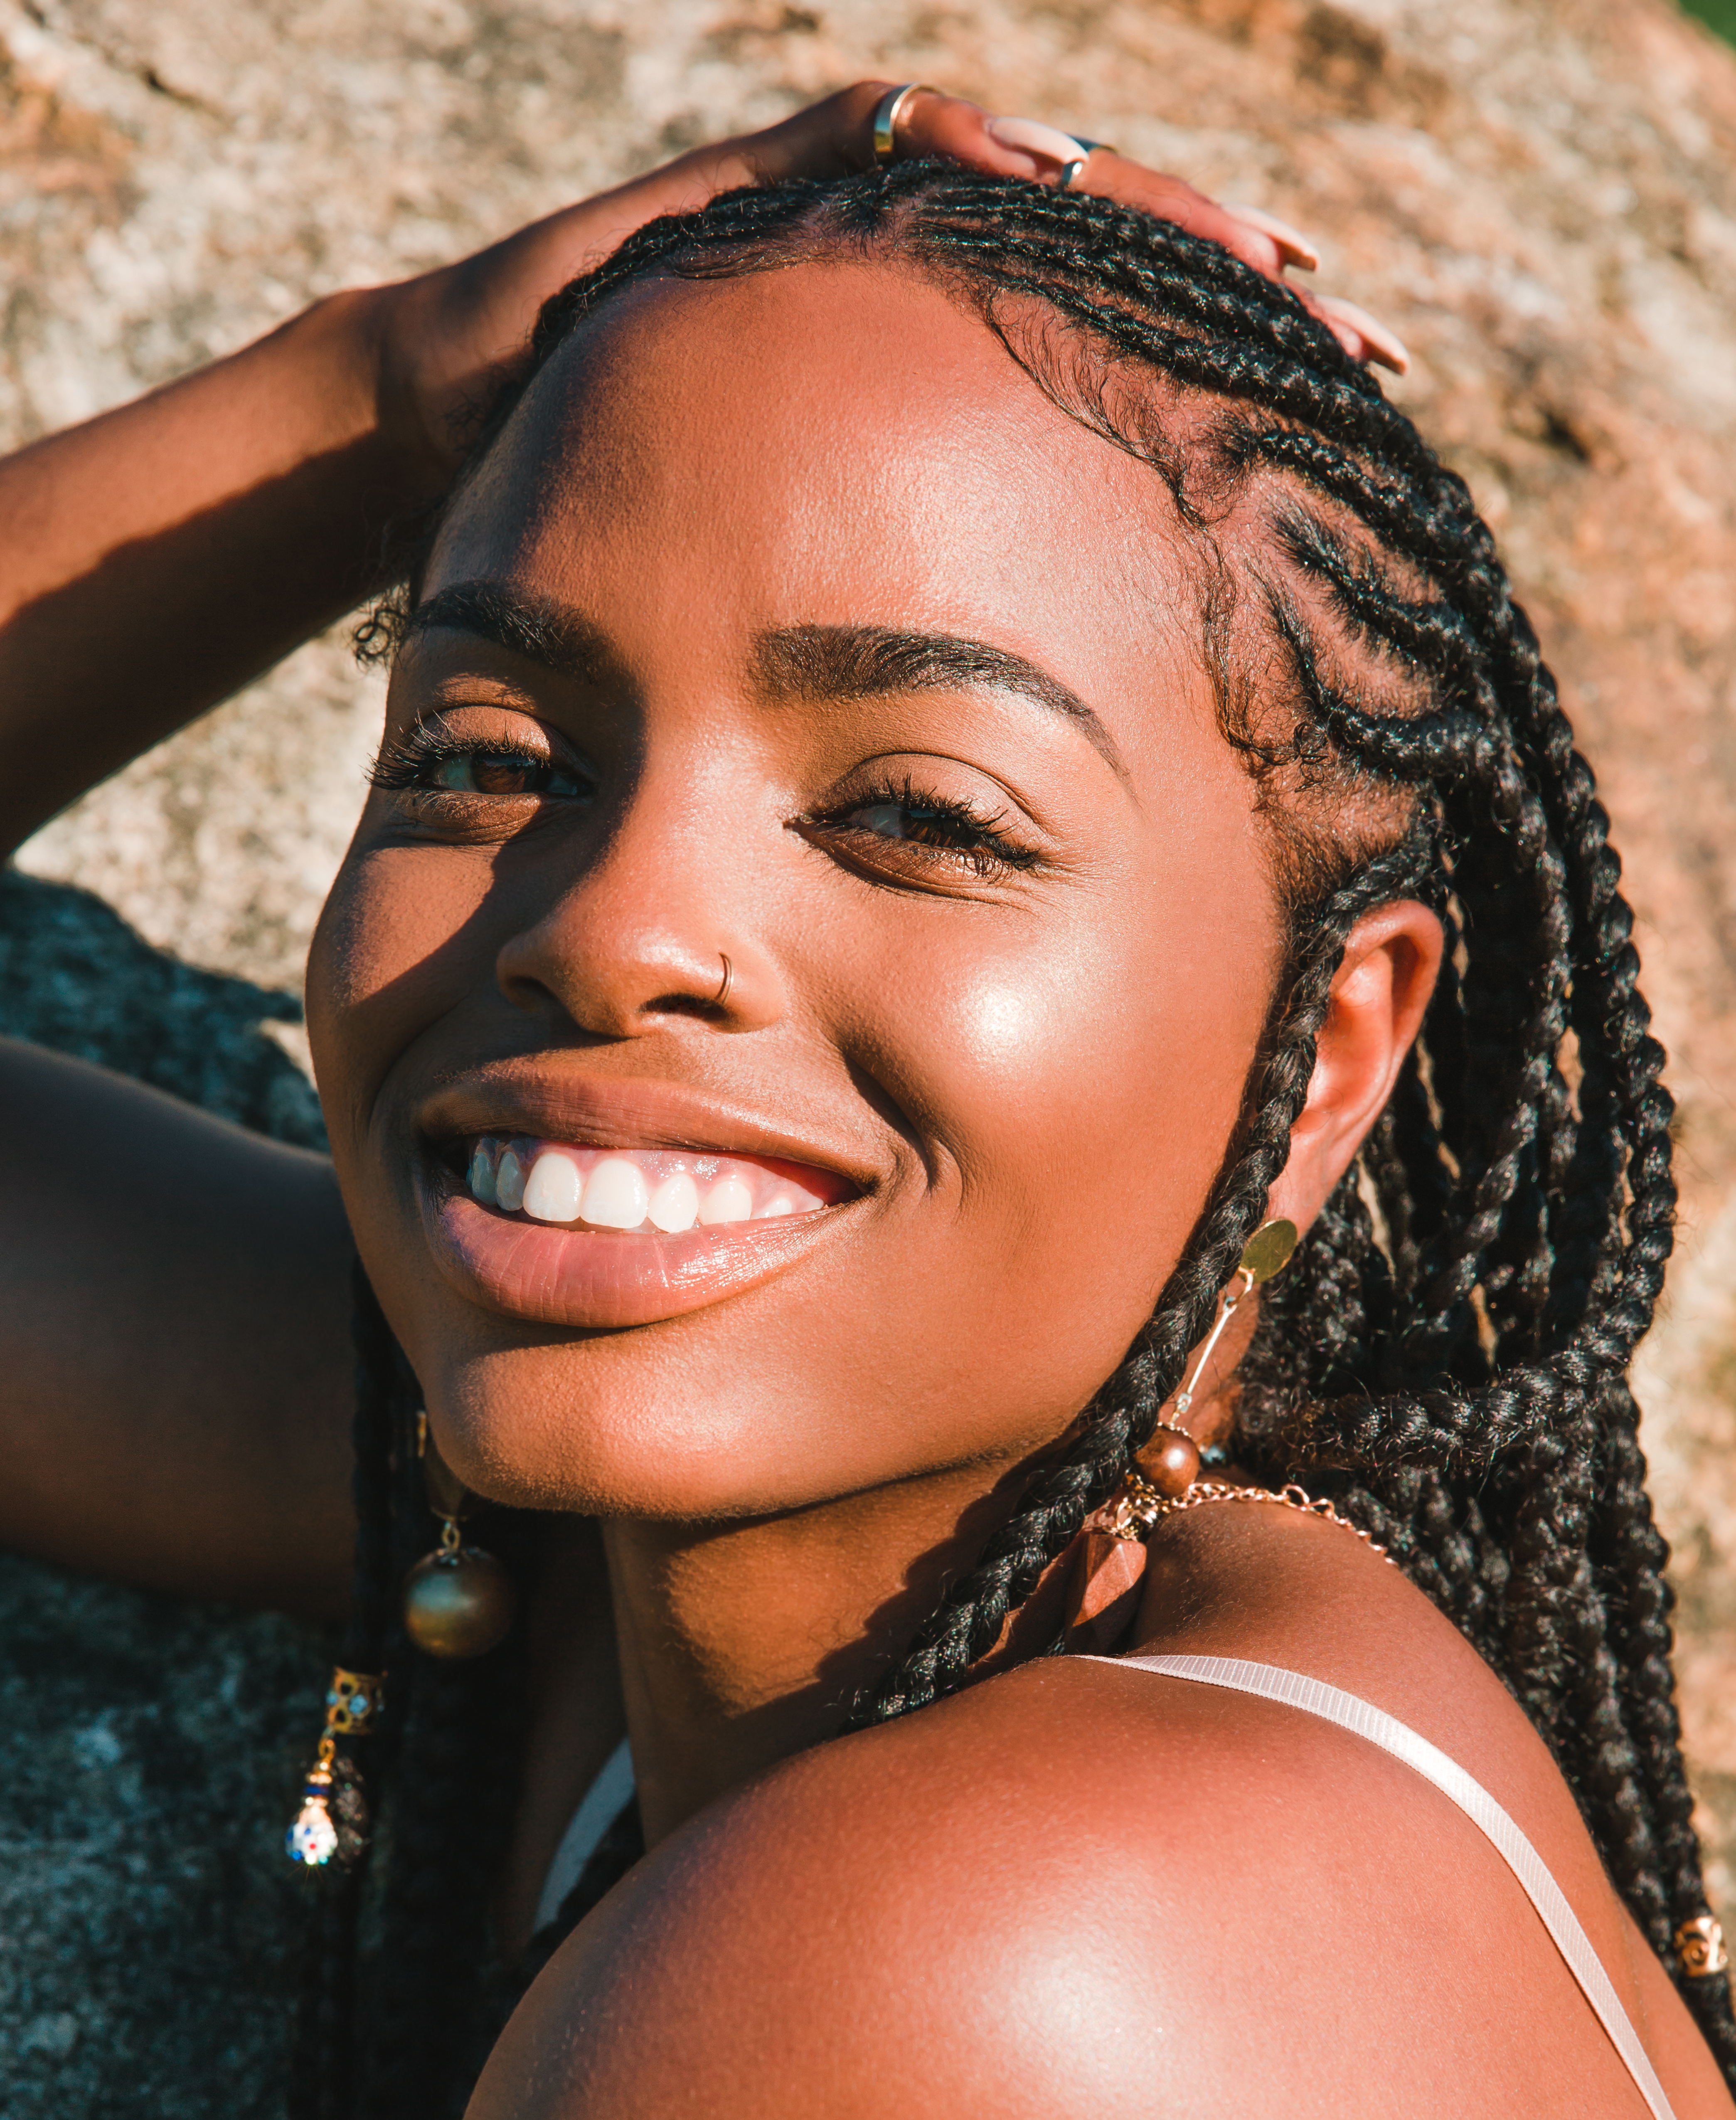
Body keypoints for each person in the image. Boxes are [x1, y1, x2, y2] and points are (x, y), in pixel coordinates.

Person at [0, 77, 1730, 2120]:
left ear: (1333, 1047)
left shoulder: (959, 1965)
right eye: (485, 755)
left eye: (919, 814)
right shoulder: (638, 1554)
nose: (617, 924)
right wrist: (386, 375)